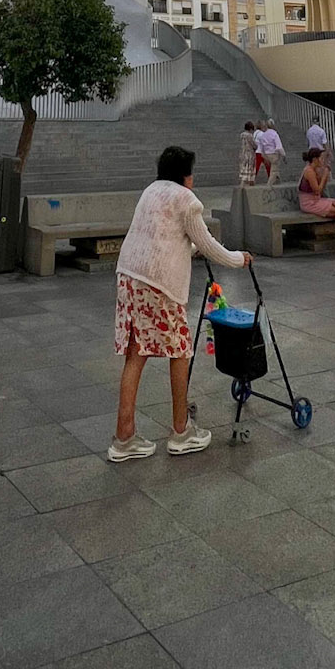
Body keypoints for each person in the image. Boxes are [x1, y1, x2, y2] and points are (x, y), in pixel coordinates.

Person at [110, 145, 248, 463]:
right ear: (185, 174)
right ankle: (181, 431)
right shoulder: (187, 200)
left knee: (136, 353)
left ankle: (124, 437)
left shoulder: (150, 191)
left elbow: (164, 236)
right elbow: (209, 245)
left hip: (129, 276)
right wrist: (240, 259)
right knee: (180, 351)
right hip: (159, 285)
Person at [238, 121, 259, 187]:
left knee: (244, 167)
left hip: (243, 153)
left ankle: (243, 181)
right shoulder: (249, 136)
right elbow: (254, 145)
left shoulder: (242, 135)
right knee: (249, 168)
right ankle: (249, 181)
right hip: (249, 154)